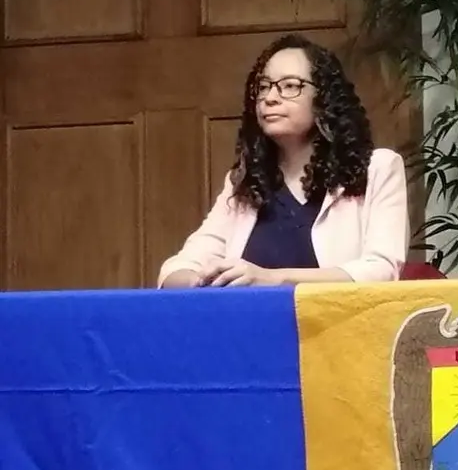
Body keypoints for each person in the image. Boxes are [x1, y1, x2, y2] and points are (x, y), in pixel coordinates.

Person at [158, 34, 408, 287]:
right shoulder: (245, 183)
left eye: (290, 86)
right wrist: (197, 282)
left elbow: (381, 270)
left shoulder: (378, 169)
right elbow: (179, 267)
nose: (270, 98)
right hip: (252, 325)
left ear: (324, 98)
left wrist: (273, 278)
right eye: (263, 86)